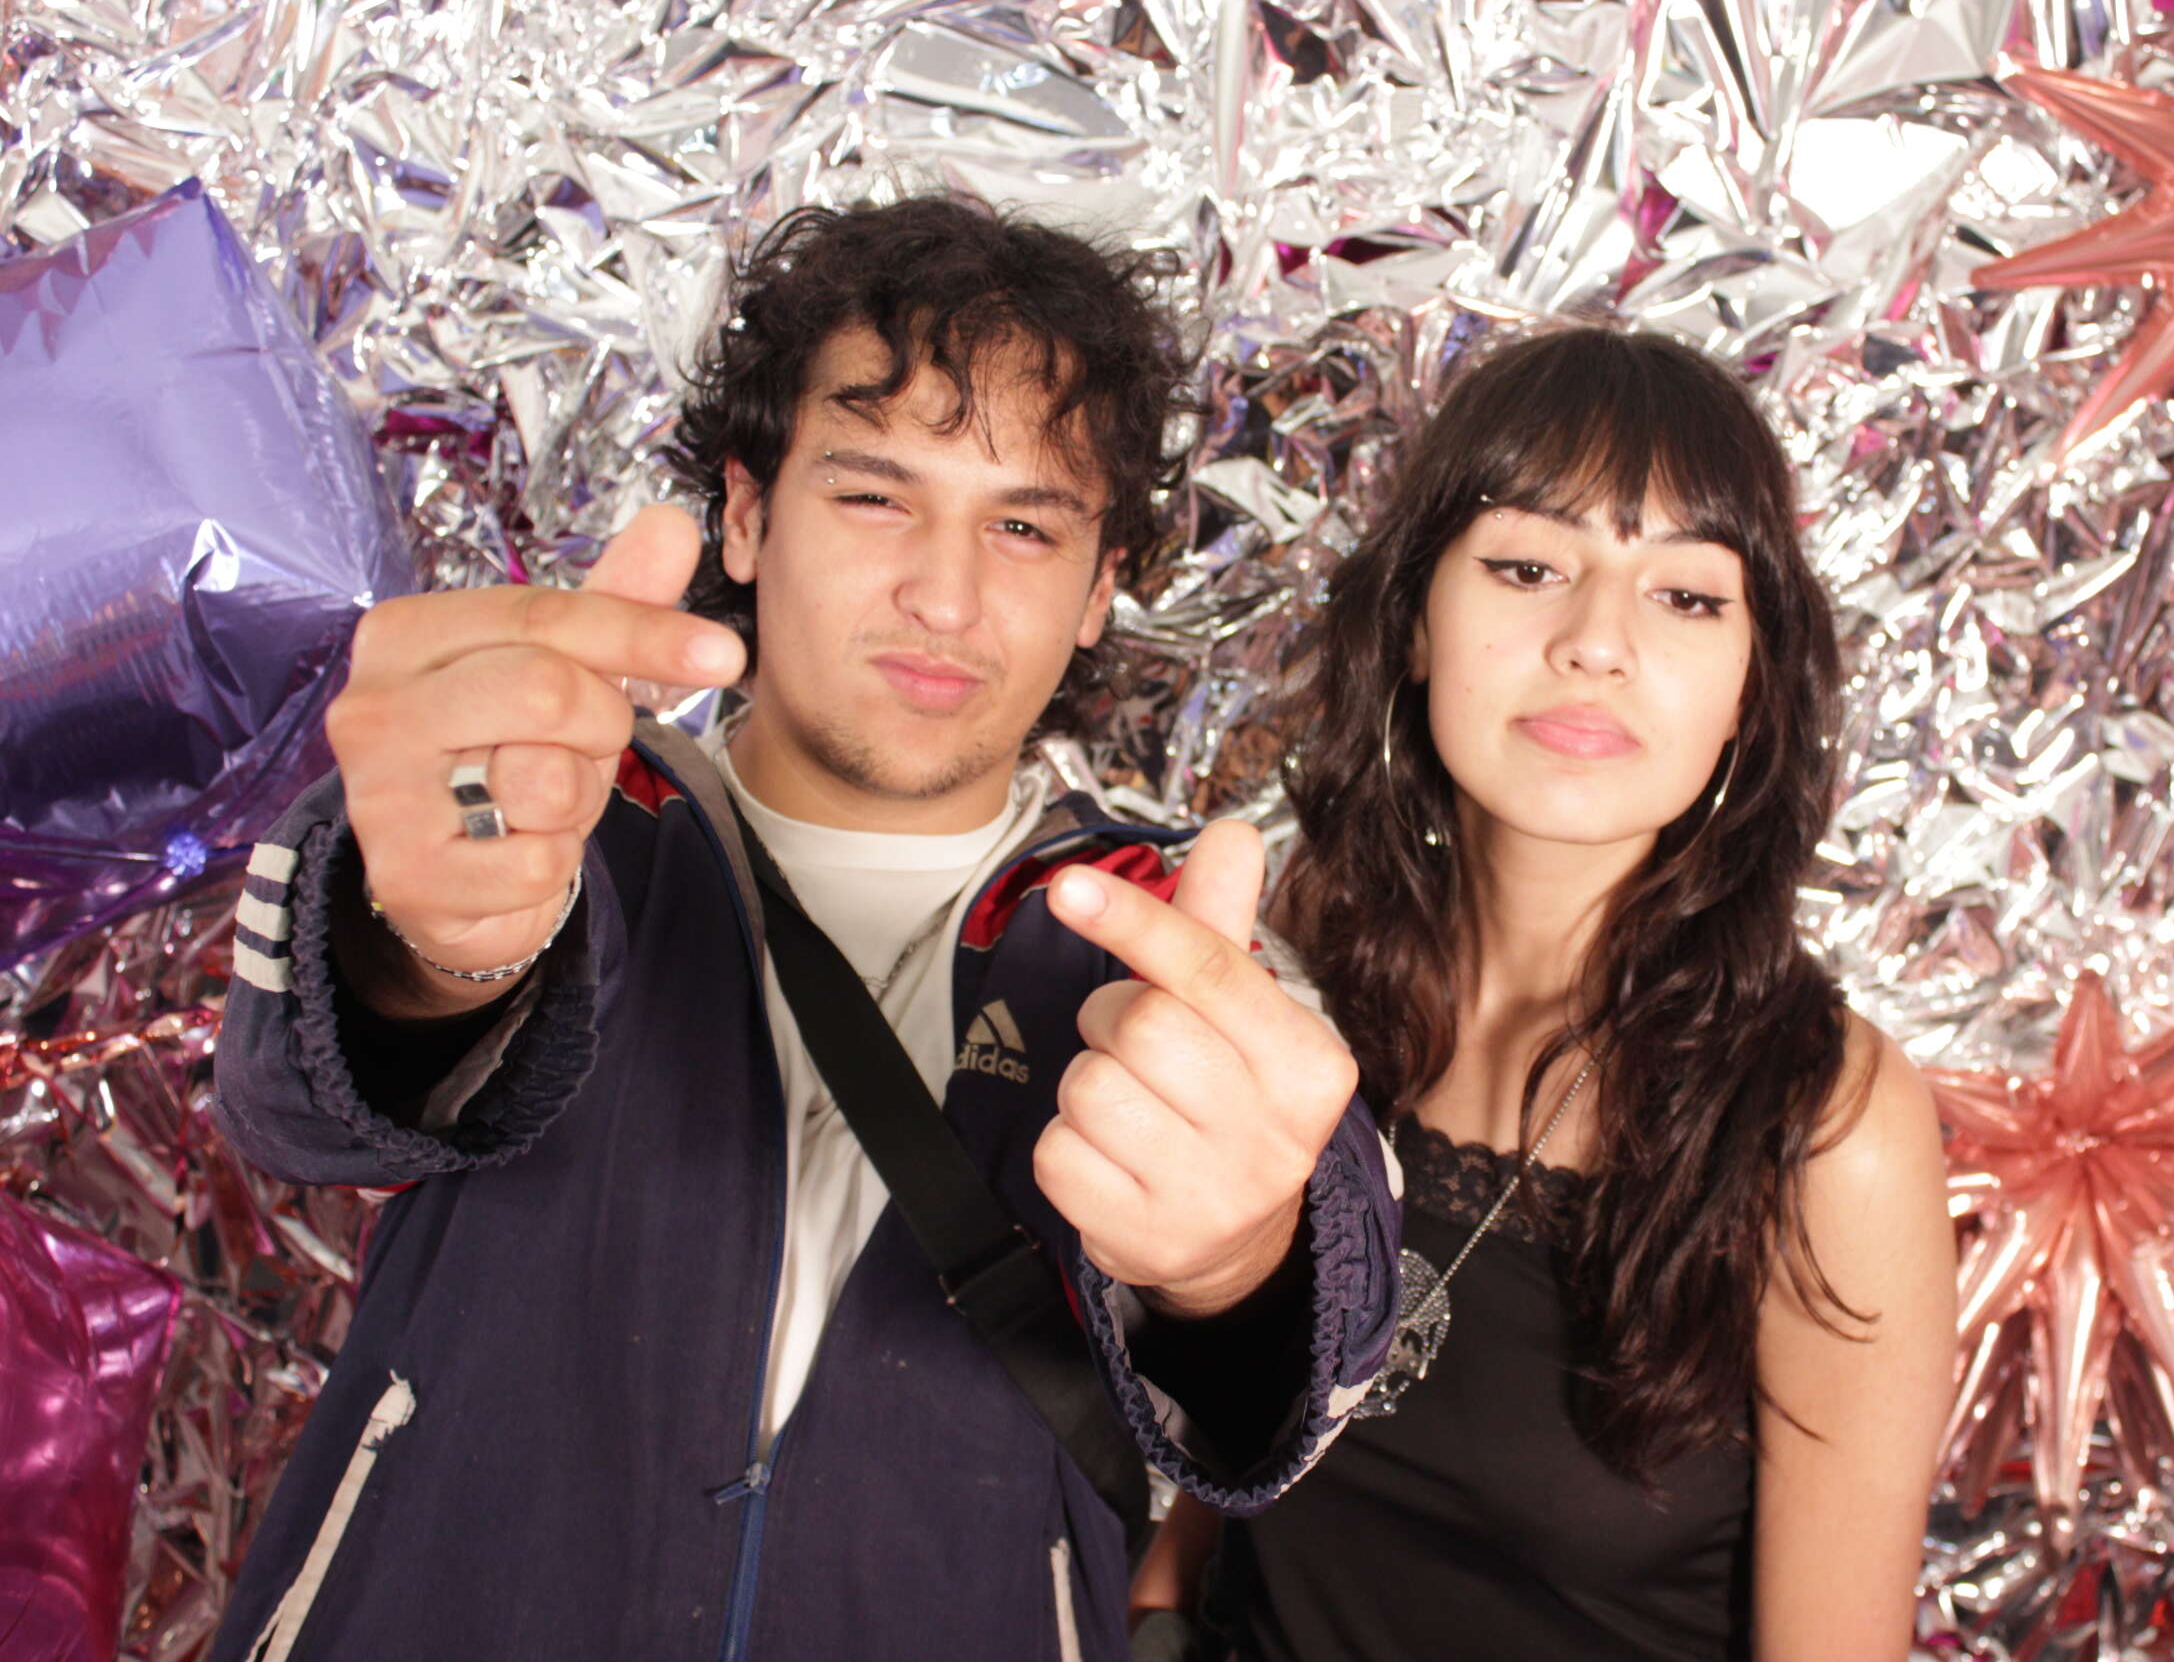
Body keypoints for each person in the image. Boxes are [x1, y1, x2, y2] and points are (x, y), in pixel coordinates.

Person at [209, 194, 1399, 1662]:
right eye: (875, 496)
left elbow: (1303, 1372)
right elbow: (290, 1100)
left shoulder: (1169, 936)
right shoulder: (545, 801)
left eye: (1024, 526)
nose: (945, 596)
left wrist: (1230, 1263)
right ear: (749, 514)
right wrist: (444, 944)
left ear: (1101, 590)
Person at [1131, 325, 1956, 1661]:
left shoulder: (1826, 1125)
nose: (1596, 644)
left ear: (1752, 686)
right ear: (1415, 622)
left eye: (1686, 596)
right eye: (1528, 568)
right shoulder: (1309, 979)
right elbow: (1243, 1462)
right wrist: (1161, 1602)